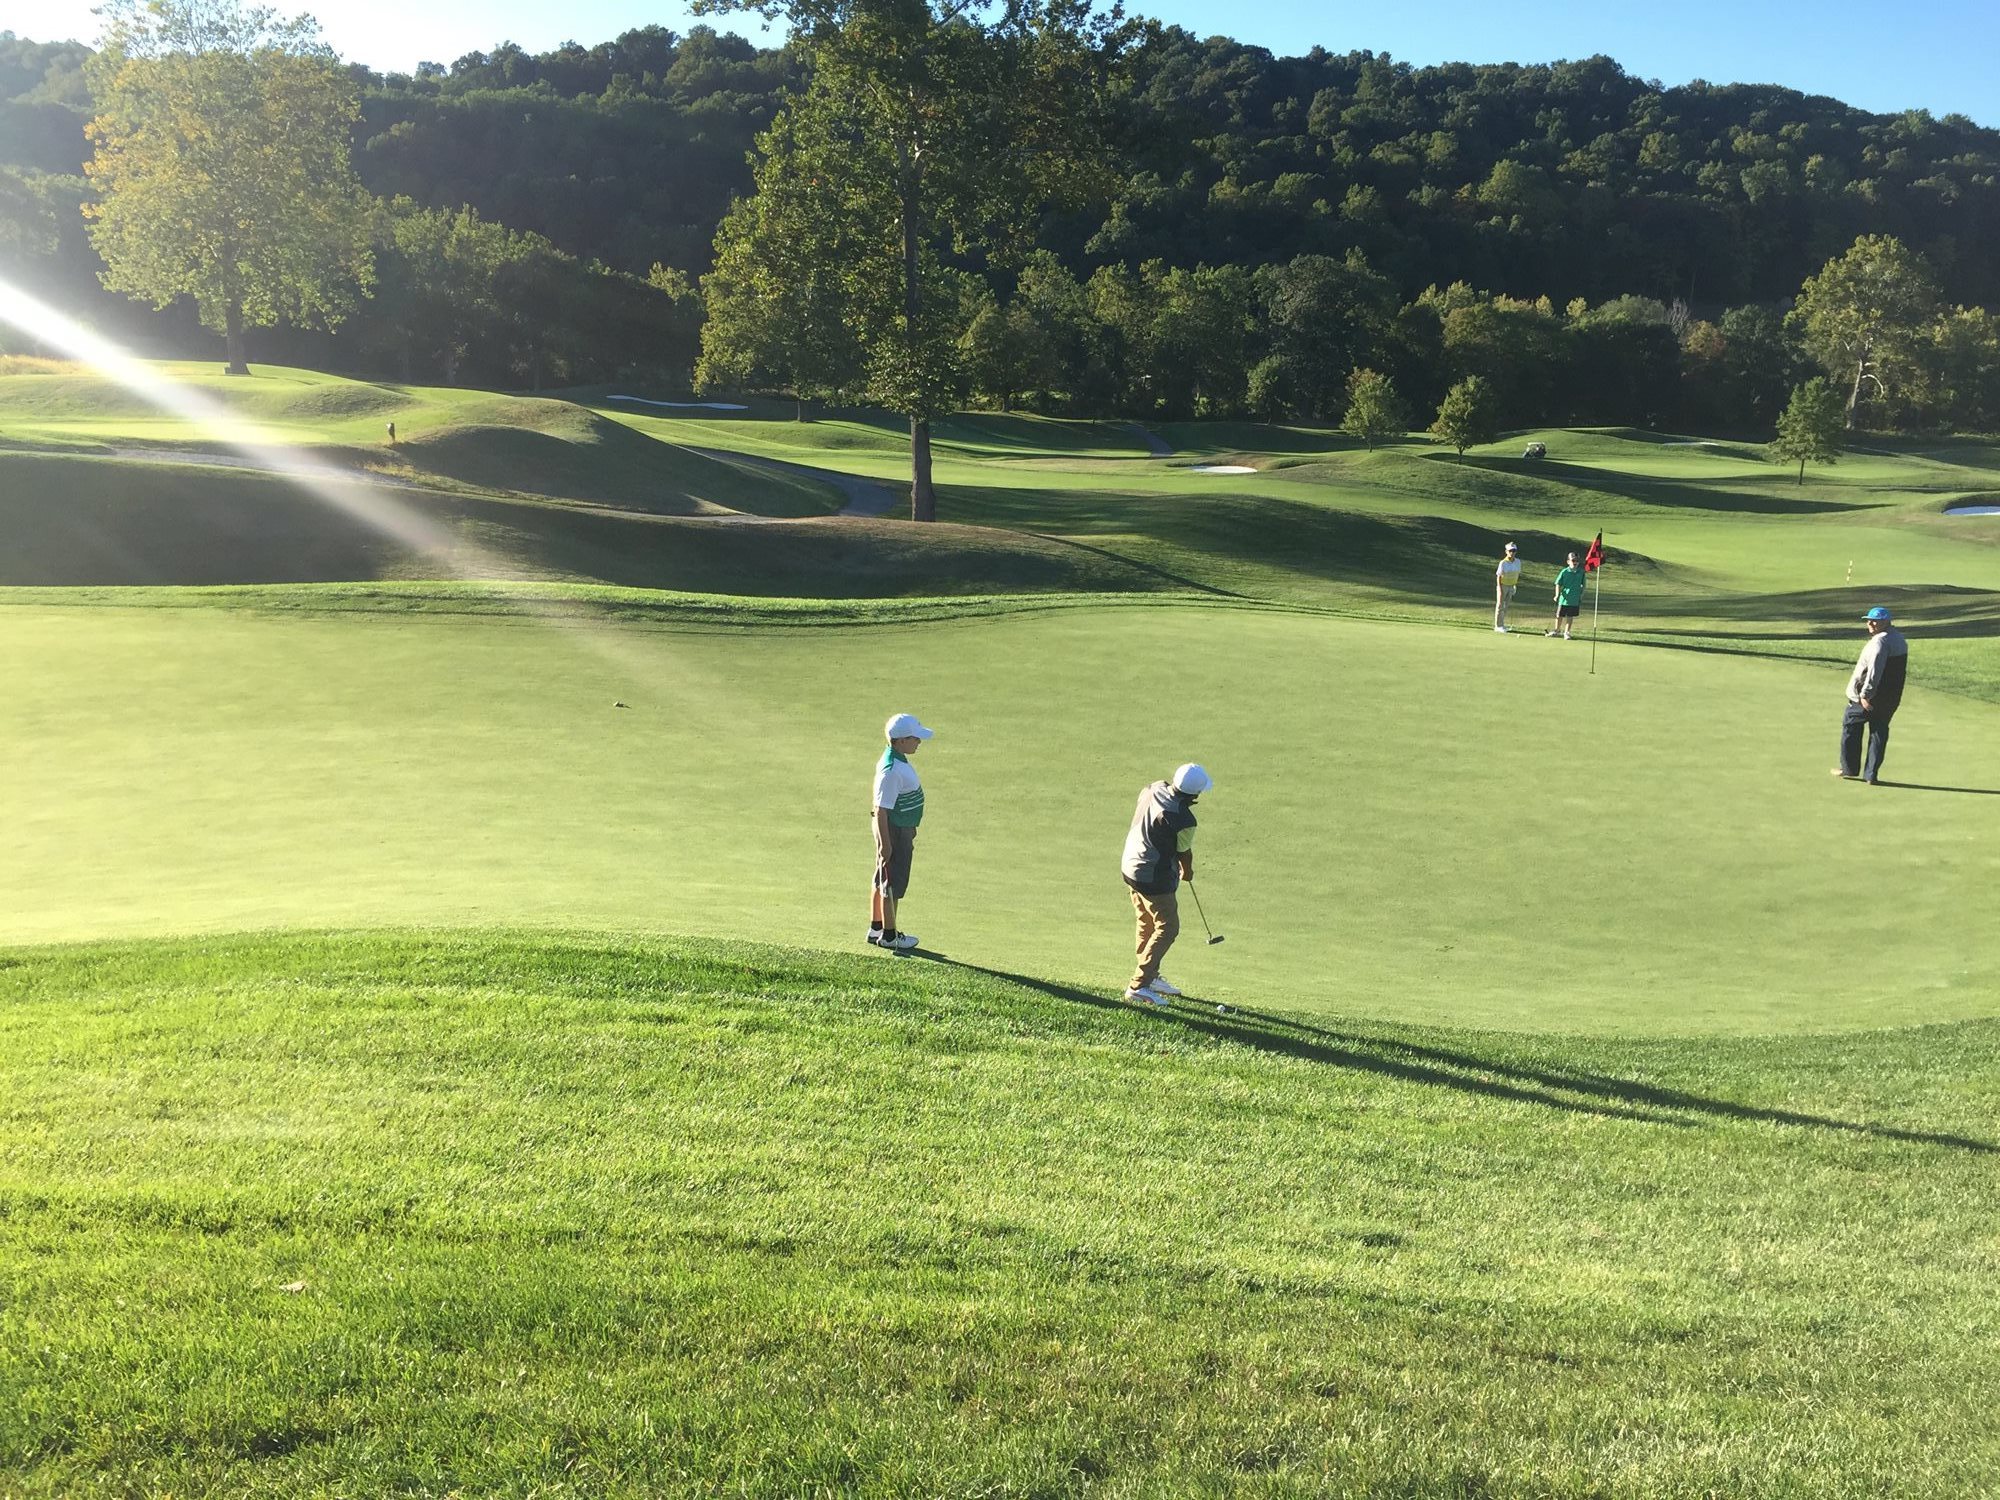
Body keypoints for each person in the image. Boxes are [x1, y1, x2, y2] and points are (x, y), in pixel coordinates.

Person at [1120, 763, 1212, 1005]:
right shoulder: (1184, 819)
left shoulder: (1153, 788)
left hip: (1130, 865)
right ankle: (1139, 986)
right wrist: (1187, 872)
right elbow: (1184, 852)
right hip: (1152, 876)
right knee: (1168, 927)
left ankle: (1150, 976)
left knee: (1146, 921)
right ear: (1196, 794)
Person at [869, 712, 933, 951]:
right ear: (902, 740)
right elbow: (881, 810)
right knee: (892, 883)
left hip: (898, 828)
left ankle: (876, 928)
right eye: (915, 738)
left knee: (882, 879)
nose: (919, 741)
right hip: (895, 830)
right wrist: (886, 845)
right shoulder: (892, 770)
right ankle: (889, 935)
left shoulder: (896, 759)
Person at [1834, 606, 1908, 785]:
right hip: (1890, 699)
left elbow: (1874, 672)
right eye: (1869, 620)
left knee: (1851, 724)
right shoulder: (1899, 639)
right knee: (1879, 732)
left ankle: (1849, 768)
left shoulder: (1879, 643)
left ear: (1886, 621)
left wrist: (1865, 696)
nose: (1870, 624)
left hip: (1869, 697)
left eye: (1875, 621)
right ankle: (1871, 775)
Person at [1546, 550, 1584, 638]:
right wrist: (1557, 595)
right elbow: (1558, 583)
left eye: (1577, 561)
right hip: (1564, 598)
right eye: (1573, 560)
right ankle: (1557, 630)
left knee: (1570, 616)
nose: (1575, 562)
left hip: (1574, 598)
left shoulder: (1581, 572)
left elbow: (1583, 585)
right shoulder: (1564, 571)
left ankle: (1567, 632)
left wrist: (1581, 596)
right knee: (1559, 615)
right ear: (1568, 562)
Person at [1494, 541, 1523, 632]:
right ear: (1506, 552)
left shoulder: (1518, 562)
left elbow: (1517, 574)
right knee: (1500, 605)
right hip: (1503, 586)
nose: (1512, 553)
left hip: (1511, 586)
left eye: (1514, 551)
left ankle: (1502, 624)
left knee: (1506, 606)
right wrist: (1500, 588)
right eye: (1510, 551)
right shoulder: (1503, 563)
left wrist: (1514, 586)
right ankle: (1498, 626)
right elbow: (1499, 576)